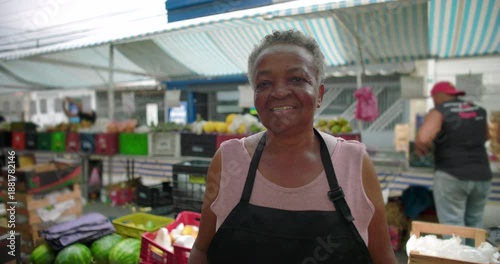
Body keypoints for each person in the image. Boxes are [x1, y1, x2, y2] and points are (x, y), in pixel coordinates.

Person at [188, 29, 396, 264]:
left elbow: (383, 259)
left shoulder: (354, 163)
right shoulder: (228, 160)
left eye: (297, 79)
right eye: (264, 83)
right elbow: (201, 251)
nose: (278, 92)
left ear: (319, 94)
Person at [415, 81, 492, 231]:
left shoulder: (440, 110)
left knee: (453, 228)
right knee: (474, 225)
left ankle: (457, 255)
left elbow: (423, 138)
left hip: (452, 175)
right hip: (482, 175)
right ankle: (473, 254)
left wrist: (423, 149)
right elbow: (487, 136)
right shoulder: (479, 110)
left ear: (437, 96)